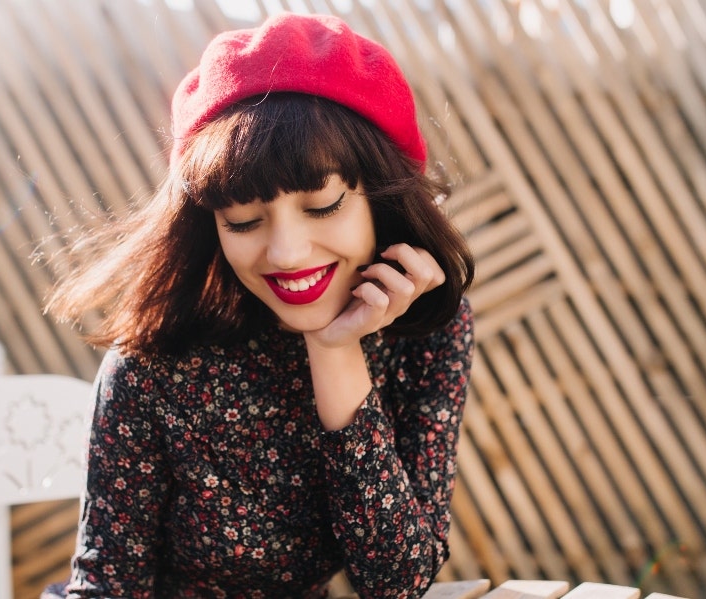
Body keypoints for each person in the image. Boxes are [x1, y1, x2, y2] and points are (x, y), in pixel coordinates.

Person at [43, 11, 475, 599]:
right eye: (243, 220)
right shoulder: (158, 361)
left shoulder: (424, 331)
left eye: (322, 206)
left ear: (382, 196)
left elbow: (397, 583)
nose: (287, 252)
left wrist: (335, 351)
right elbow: (105, 583)